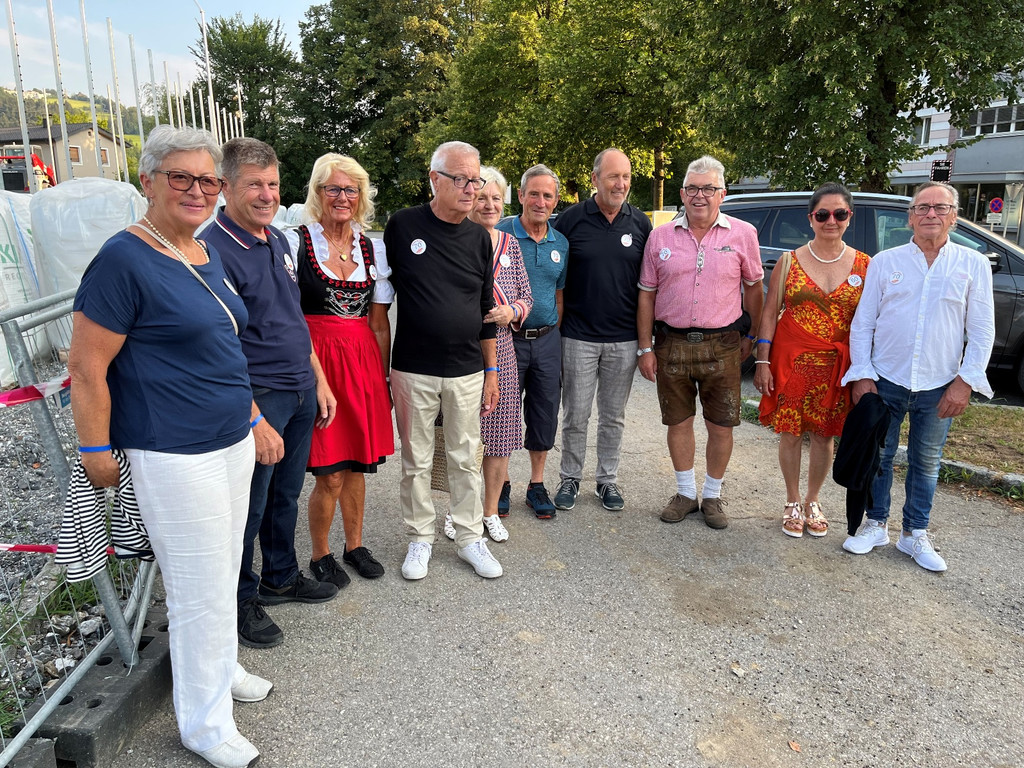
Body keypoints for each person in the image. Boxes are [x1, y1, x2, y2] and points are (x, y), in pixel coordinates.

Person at [68, 125, 265, 768]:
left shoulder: (200, 250)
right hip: (172, 449)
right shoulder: (125, 258)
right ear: (147, 181)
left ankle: (222, 669)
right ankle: (204, 725)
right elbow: (88, 368)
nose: (198, 190)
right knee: (197, 587)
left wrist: (252, 417)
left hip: (229, 437)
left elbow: (223, 345)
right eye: (181, 177)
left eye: (208, 180)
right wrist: (95, 448)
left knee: (223, 566)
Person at [203, 138, 338, 652]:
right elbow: (221, 344)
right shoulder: (213, 249)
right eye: (254, 184)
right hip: (259, 395)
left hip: (299, 388)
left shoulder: (278, 241)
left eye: (273, 184)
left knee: (285, 494)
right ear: (227, 186)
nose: (265, 194)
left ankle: (279, 576)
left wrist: (318, 381)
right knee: (249, 505)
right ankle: (239, 599)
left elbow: (292, 320)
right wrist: (253, 415)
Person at [841, 181, 995, 571]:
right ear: (910, 217)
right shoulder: (885, 262)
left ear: (954, 217)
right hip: (886, 378)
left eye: (940, 209)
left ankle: (914, 534)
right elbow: (863, 325)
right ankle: (876, 524)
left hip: (939, 382)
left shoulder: (972, 264)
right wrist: (862, 374)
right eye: (922, 208)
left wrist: (966, 381)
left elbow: (981, 329)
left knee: (927, 461)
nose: (931, 215)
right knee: (880, 456)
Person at [383, 140, 503, 580]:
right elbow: (379, 301)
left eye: (477, 179)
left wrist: (491, 372)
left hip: (468, 370)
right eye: (461, 179)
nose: (471, 188)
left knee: (465, 457)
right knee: (416, 459)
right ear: (434, 179)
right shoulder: (402, 226)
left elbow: (487, 309)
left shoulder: (477, 238)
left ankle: (470, 538)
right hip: (413, 368)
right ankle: (420, 539)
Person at [285, 153, 395, 587]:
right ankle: (320, 553)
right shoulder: (296, 243)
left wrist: (382, 378)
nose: (343, 197)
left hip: (363, 362)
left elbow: (379, 321)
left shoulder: (372, 247)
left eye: (351, 190)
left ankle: (354, 544)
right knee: (329, 471)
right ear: (317, 193)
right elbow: (288, 317)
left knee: (357, 464)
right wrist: (312, 377)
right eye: (333, 188)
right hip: (318, 362)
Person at [637, 156, 763, 529]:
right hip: (670, 343)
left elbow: (754, 289)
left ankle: (711, 495)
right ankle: (685, 493)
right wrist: (645, 347)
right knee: (678, 422)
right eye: (692, 188)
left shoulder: (743, 234)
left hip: (723, 344)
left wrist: (752, 336)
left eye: (708, 188)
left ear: (721, 194)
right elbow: (646, 294)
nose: (700, 195)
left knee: (721, 425)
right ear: (682, 193)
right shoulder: (660, 237)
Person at [753, 183, 870, 538]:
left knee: (824, 437)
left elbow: (871, 321)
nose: (830, 220)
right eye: (823, 214)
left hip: (837, 368)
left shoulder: (866, 265)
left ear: (850, 217)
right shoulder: (789, 261)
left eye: (839, 213)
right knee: (789, 434)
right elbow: (770, 314)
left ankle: (813, 500)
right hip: (793, 363)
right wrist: (762, 360)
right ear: (811, 219)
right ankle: (791, 500)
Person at [552, 148, 652, 511]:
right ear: (595, 179)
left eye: (626, 177)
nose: (620, 184)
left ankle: (607, 481)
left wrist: (645, 344)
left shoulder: (640, 223)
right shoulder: (570, 220)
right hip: (577, 336)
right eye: (613, 176)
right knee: (575, 414)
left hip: (623, 339)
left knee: (614, 417)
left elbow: (648, 286)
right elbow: (553, 277)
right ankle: (570, 478)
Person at [443, 166, 532, 542]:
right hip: (462, 348)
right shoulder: (454, 242)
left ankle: (490, 511)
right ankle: (457, 512)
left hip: (504, 351)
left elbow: (526, 295)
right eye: (482, 197)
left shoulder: (510, 244)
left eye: (496, 198)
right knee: (461, 436)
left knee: (499, 437)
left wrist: (511, 312)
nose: (490, 204)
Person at [495, 164, 568, 520]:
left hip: (547, 340)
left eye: (548, 195)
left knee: (544, 412)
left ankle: (536, 484)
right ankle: (502, 482)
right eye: (534, 194)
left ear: (556, 201)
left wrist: (554, 334)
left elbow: (559, 295)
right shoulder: (499, 232)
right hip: (508, 340)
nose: (541, 201)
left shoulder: (561, 243)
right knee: (503, 413)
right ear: (521, 195)